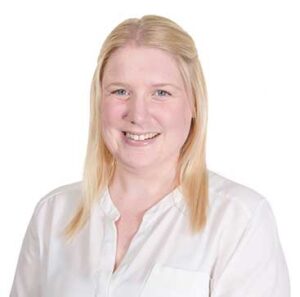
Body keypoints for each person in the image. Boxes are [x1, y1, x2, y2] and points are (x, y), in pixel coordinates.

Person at [10, 14, 290, 297]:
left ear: (193, 103)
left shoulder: (239, 220)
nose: (138, 115)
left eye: (161, 93)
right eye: (120, 91)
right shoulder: (53, 215)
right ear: (98, 101)